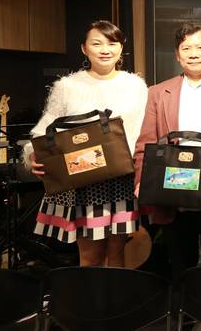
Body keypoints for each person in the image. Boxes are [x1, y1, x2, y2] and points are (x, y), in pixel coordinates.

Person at [24, 20, 148, 267]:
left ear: (121, 48)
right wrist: (32, 155)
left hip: (122, 178)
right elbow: (45, 128)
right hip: (83, 179)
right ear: (84, 48)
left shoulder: (135, 85)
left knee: (118, 254)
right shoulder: (67, 86)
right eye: (97, 43)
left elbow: (144, 131)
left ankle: (116, 294)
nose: (105, 50)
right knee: (90, 256)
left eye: (112, 43)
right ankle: (90, 294)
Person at [133, 23, 201, 278]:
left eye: (200, 47)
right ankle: (183, 303)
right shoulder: (158, 93)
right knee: (180, 265)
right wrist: (142, 181)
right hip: (171, 190)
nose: (193, 54)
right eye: (186, 48)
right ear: (177, 54)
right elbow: (145, 143)